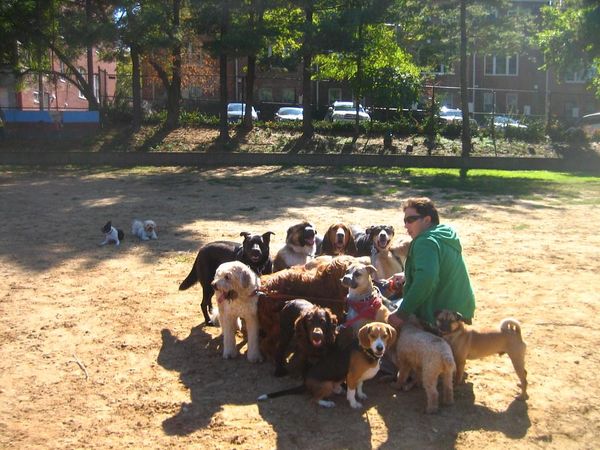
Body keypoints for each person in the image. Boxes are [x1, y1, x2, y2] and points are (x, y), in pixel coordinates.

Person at [387, 197, 476, 329]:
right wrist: (408, 275)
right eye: (405, 221)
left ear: (427, 219)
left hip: (444, 320)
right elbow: (439, 268)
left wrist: (402, 314)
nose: (406, 225)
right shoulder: (444, 233)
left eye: (410, 220)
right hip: (463, 312)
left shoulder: (425, 241)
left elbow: (426, 279)